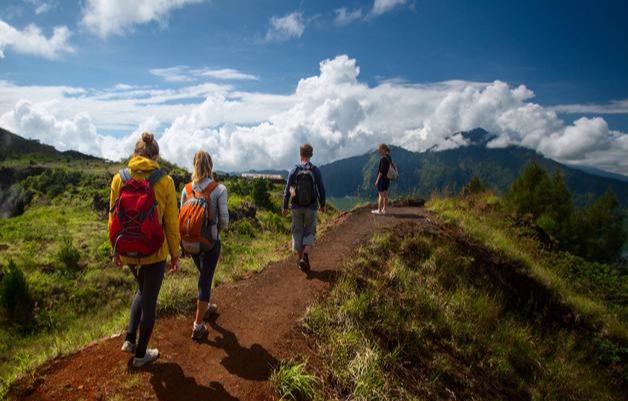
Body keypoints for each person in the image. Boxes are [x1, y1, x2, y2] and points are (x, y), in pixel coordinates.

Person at [109, 132, 180, 368]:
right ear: (156, 156)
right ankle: (140, 355)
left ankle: (130, 339)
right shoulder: (165, 181)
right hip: (154, 251)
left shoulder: (119, 179)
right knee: (150, 299)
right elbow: (171, 223)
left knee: (142, 288)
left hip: (128, 249)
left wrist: (115, 250)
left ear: (135, 153)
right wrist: (175, 255)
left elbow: (112, 219)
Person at [180, 150, 229, 341]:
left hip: (189, 242)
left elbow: (181, 215)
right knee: (205, 280)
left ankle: (206, 305)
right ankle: (198, 325)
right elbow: (224, 221)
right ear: (211, 166)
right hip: (209, 243)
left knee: (203, 274)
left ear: (194, 165)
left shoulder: (186, 189)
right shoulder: (219, 189)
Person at [282, 143, 326, 272]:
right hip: (311, 206)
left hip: (296, 207)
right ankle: (305, 256)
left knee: (297, 232)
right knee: (310, 231)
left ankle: (301, 259)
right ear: (311, 155)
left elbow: (287, 189)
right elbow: (321, 189)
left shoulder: (294, 170)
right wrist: (322, 205)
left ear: (300, 154)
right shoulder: (315, 170)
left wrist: (285, 206)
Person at [372, 143, 392, 215]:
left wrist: (377, 180)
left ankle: (379, 210)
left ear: (383, 149)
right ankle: (384, 209)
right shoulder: (388, 157)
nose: (379, 151)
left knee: (380, 195)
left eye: (379, 150)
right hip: (387, 179)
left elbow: (381, 171)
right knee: (385, 195)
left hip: (382, 180)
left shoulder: (383, 159)